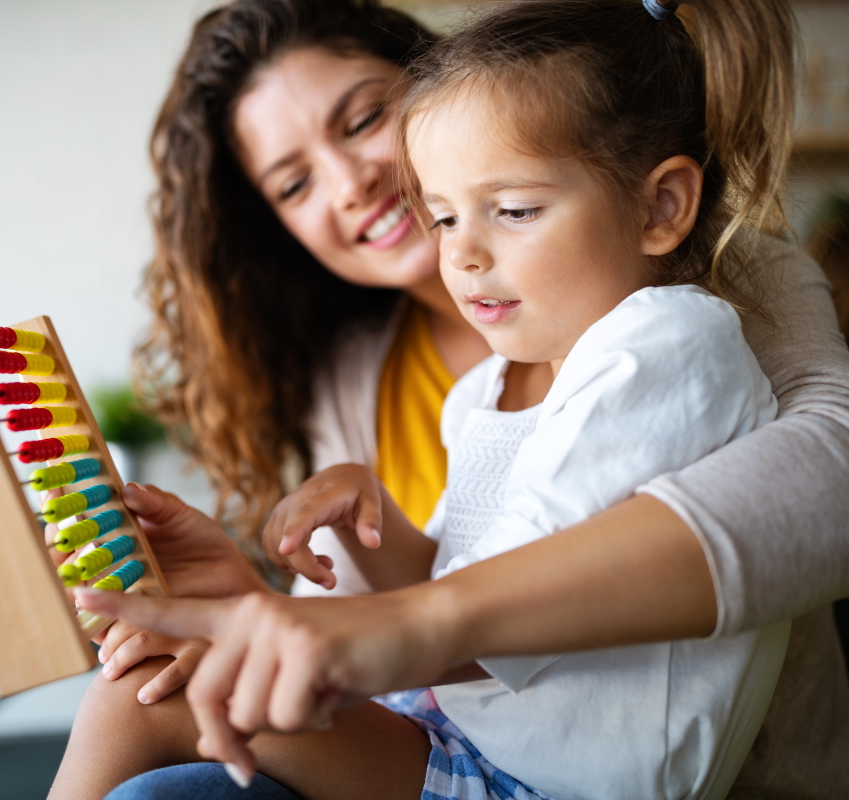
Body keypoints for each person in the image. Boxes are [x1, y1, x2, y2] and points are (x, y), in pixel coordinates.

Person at [50, 0, 849, 796]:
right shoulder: (458, 387)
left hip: (564, 771)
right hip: (464, 730)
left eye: (363, 119)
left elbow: (829, 475)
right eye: (294, 183)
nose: (354, 182)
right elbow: (434, 585)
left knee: (146, 712)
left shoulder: (695, 313)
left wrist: (337, 633)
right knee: (151, 704)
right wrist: (260, 598)